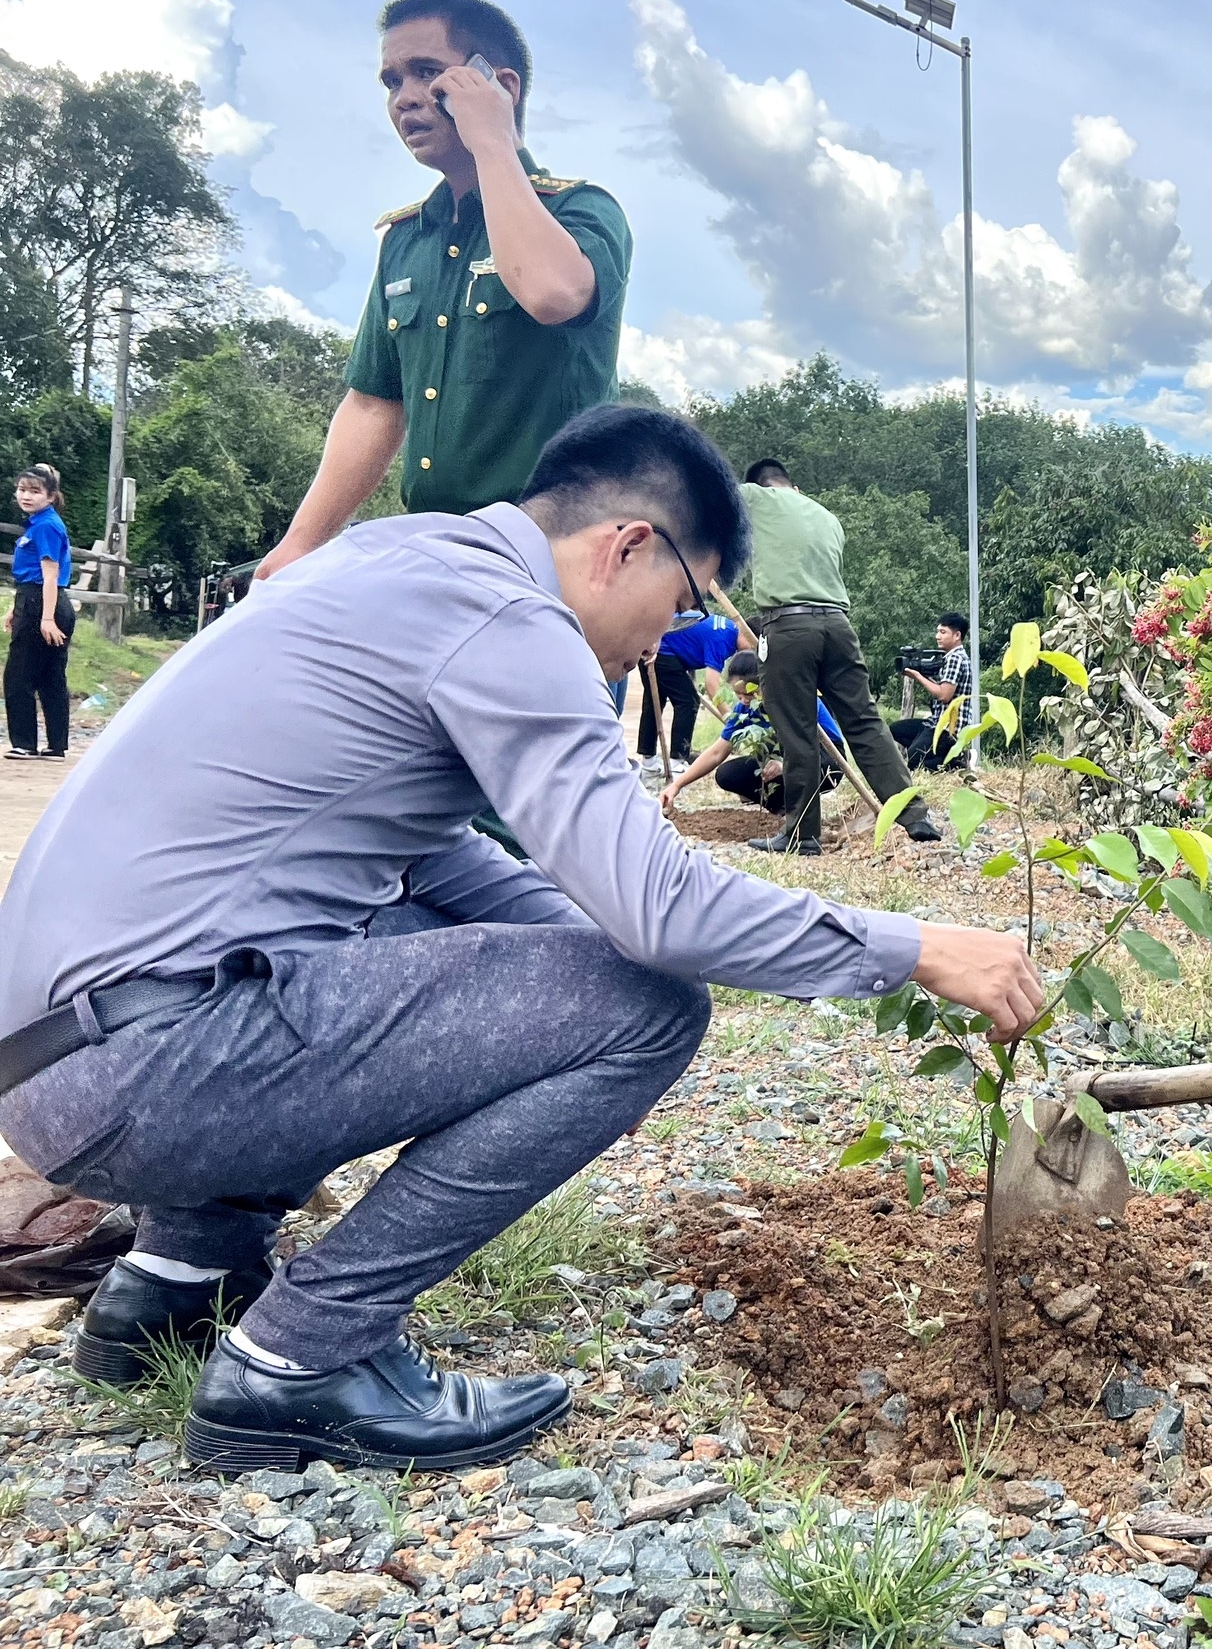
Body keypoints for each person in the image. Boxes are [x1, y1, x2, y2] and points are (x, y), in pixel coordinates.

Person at [0, 406, 1039, 1473]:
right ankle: (303, 1359)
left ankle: (179, 1284)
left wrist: (582, 961)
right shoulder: (508, 617)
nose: (663, 644)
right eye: (678, 607)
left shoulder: (396, 562)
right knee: (649, 1008)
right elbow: (662, 911)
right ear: (627, 544)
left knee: (444, 935)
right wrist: (911, 944)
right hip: (149, 1066)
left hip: (49, 1061)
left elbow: (433, 860)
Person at [256, 0, 630, 579]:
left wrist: (492, 143)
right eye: (390, 80)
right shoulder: (406, 239)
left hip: (558, 558)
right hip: (439, 552)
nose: (405, 98)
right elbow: (374, 405)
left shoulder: (579, 211)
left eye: (427, 73)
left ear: (498, 86)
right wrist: (301, 541)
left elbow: (551, 293)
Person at [734, 458, 937, 851]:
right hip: (838, 626)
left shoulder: (755, 498)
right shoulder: (828, 517)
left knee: (798, 731)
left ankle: (801, 835)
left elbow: (715, 494)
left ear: (763, 484)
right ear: (795, 487)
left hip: (789, 627)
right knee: (863, 721)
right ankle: (914, 815)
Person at [657, 649, 839, 816]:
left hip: (825, 760)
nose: (744, 700)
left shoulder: (791, 697)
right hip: (784, 759)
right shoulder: (744, 710)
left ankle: (803, 813)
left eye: (750, 694)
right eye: (738, 695)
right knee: (728, 774)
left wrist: (785, 765)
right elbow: (716, 753)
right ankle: (781, 809)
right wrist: (677, 786)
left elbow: (808, 745)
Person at [6, 464, 76, 760]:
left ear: (50, 496)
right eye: (22, 490)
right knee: (50, 677)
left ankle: (24, 743)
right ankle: (56, 745)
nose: (26, 496)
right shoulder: (38, 523)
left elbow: (49, 574)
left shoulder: (46, 525)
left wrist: (46, 618)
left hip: (42, 603)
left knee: (19, 675)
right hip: (42, 599)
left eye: (35, 491)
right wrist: (14, 607)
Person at [637, 612, 738, 779]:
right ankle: (677, 760)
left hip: (655, 644)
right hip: (659, 649)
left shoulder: (728, 627)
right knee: (687, 700)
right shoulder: (724, 639)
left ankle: (648, 763)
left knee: (654, 701)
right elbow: (712, 685)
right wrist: (730, 719)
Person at [890, 610, 973, 768]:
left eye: (943, 632)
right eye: (937, 632)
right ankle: (929, 752)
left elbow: (944, 695)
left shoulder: (955, 658)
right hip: (936, 722)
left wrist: (918, 677)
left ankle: (959, 762)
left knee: (914, 762)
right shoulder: (948, 657)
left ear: (957, 636)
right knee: (896, 729)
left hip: (950, 728)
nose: (937, 636)